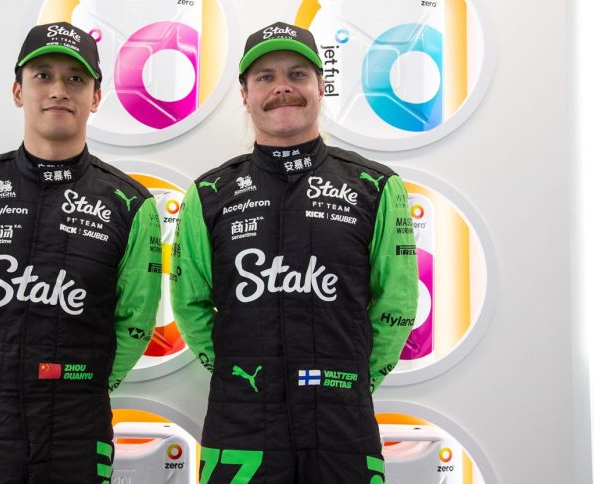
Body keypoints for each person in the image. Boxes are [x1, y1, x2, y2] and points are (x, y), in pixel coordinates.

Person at [171, 22, 419, 483]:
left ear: (321, 87)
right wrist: (236, 373)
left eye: (297, 75)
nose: (282, 87)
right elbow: (190, 304)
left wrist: (351, 380)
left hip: (343, 425)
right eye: (265, 77)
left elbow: (398, 305)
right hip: (239, 424)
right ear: (244, 95)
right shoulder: (208, 193)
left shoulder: (376, 187)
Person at [0, 21, 161, 483]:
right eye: (43, 76)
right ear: (17, 91)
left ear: (95, 97)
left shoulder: (131, 204)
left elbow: (136, 318)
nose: (58, 90)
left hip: (78, 420)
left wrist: (84, 384)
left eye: (75, 79)